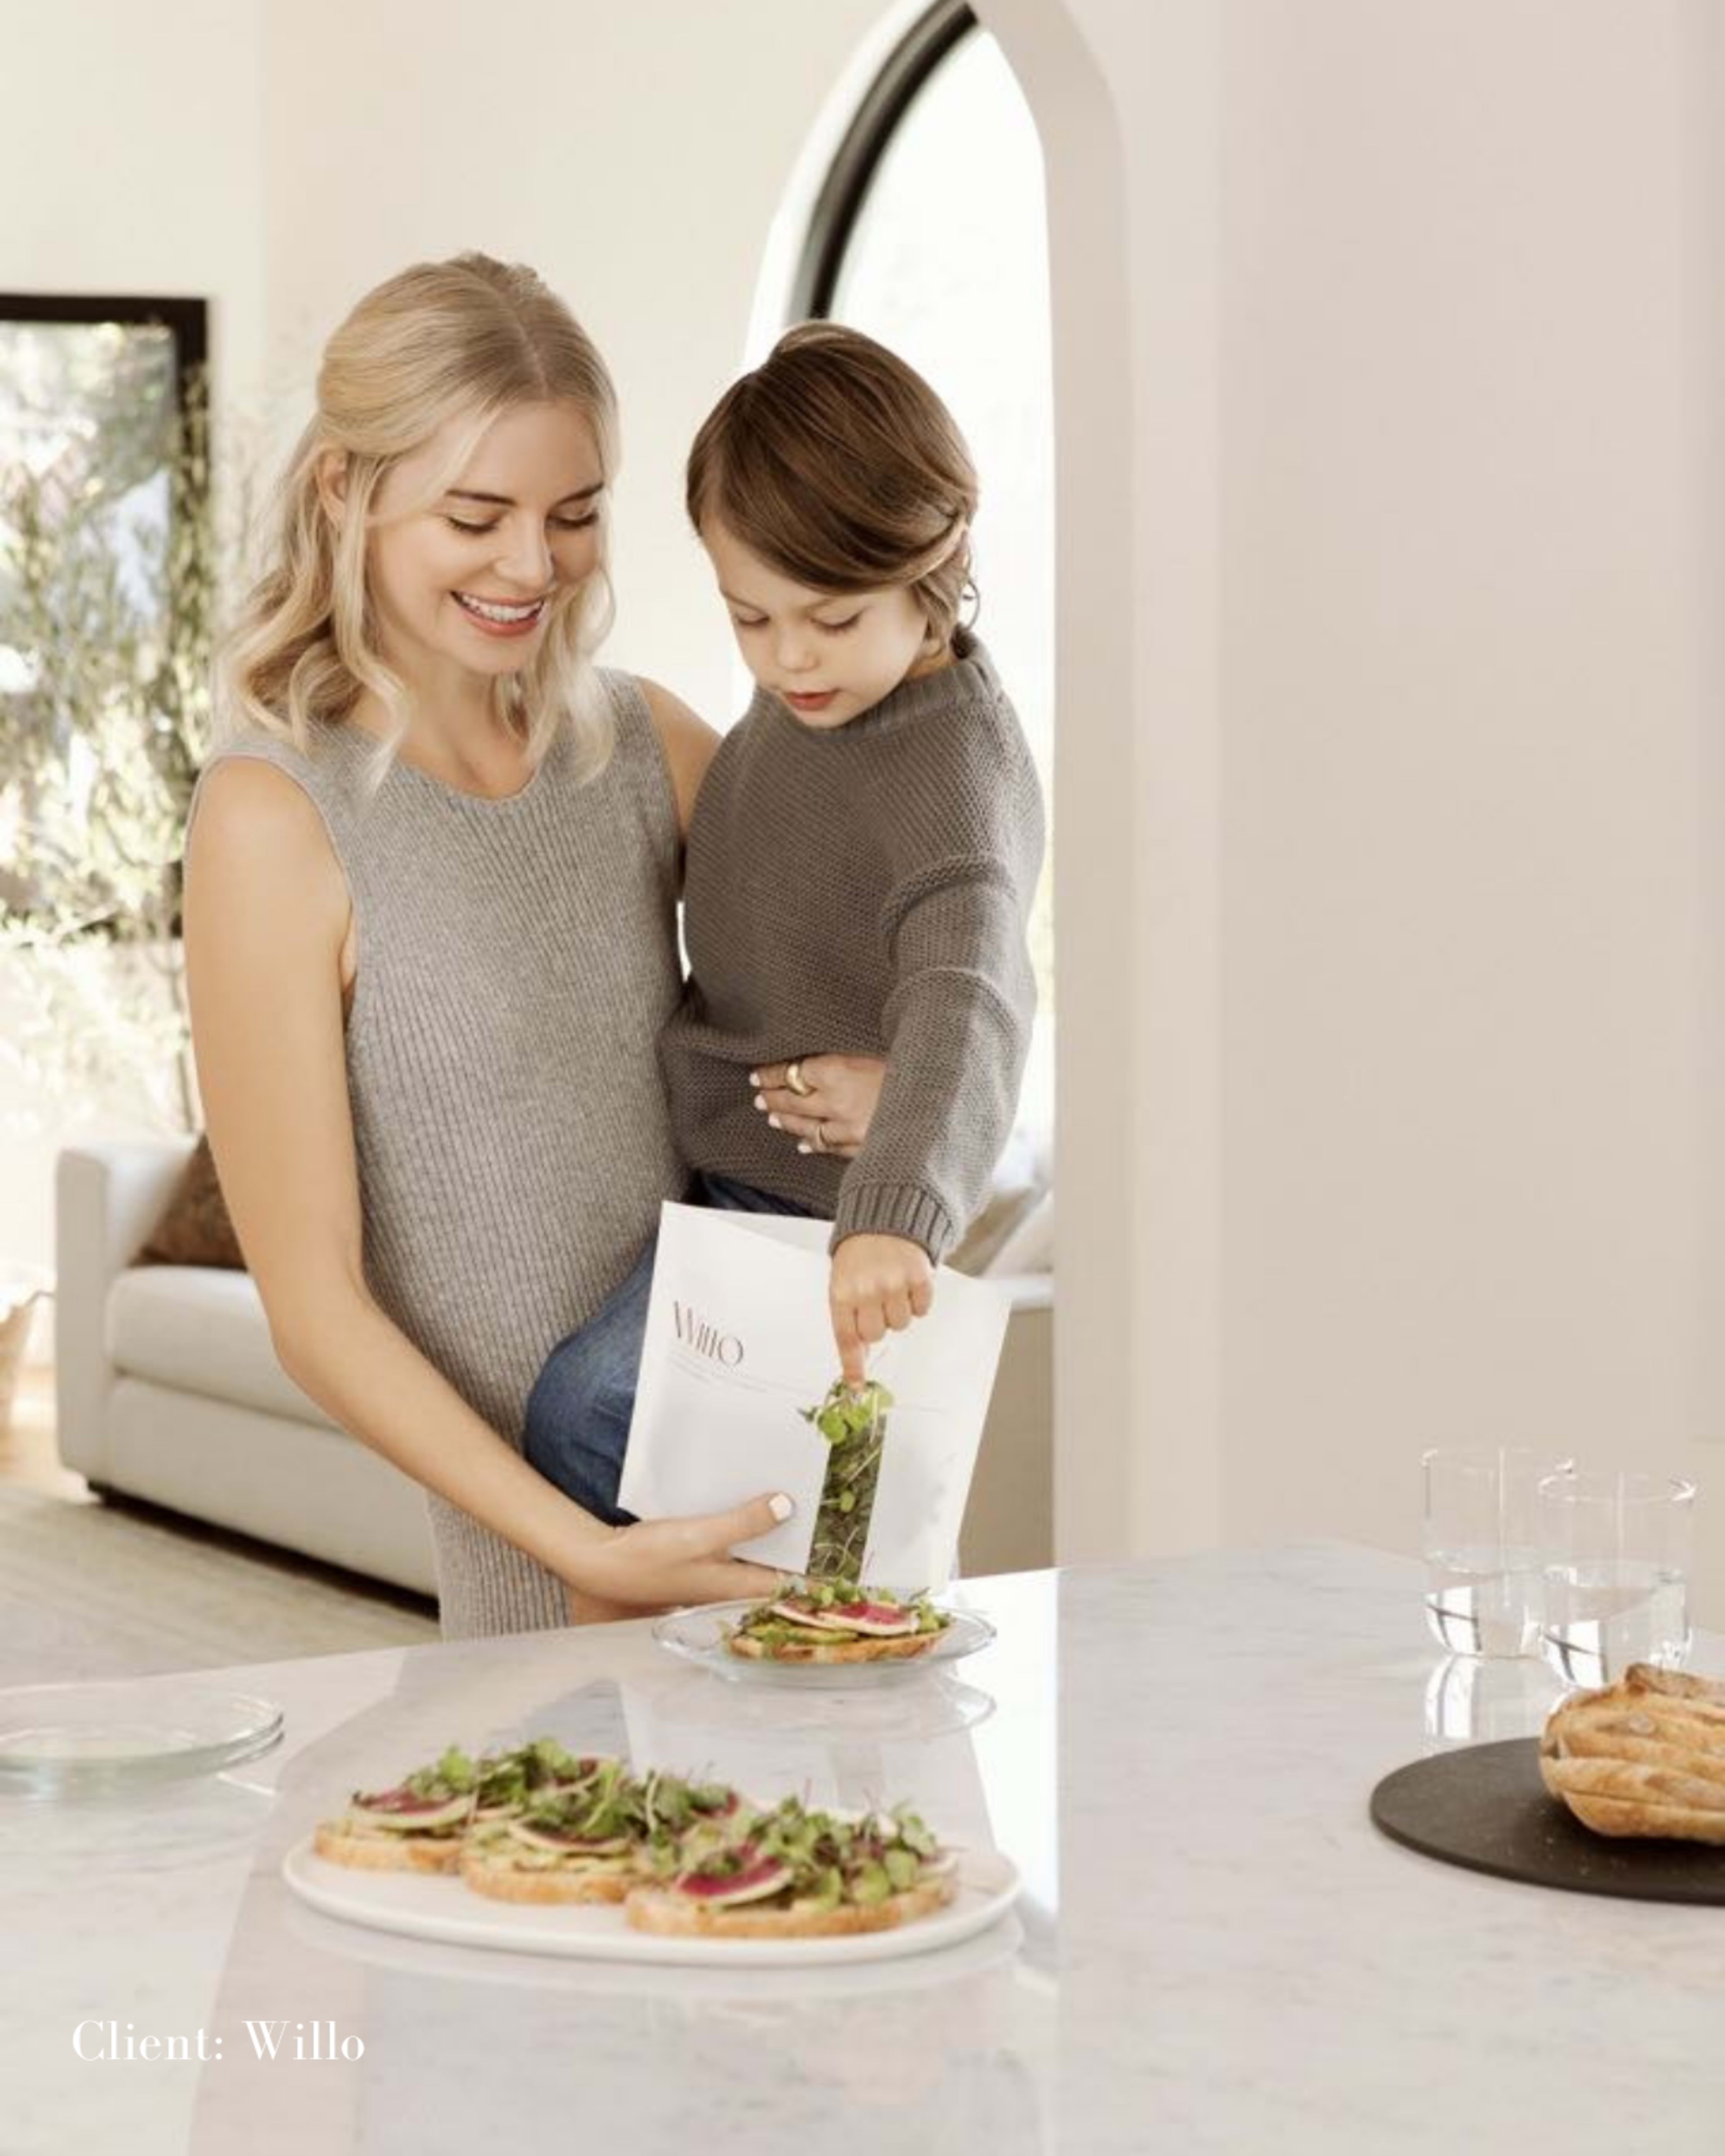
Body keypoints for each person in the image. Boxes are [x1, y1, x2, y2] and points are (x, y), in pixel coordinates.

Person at [182, 254, 884, 1637]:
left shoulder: (642, 746)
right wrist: (587, 1547)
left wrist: (883, 1078)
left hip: (788, 1498)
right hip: (551, 1587)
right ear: (347, 492)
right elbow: (314, 1309)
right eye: (475, 514)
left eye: (573, 515)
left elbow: (904, 923)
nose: (532, 566)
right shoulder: (274, 820)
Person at [524, 321, 1045, 1528]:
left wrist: (891, 1217)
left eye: (831, 617)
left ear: (940, 561)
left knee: (585, 1411)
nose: (789, 659)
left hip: (821, 1216)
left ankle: (810, 1576)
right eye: (750, 619)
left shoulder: (951, 773)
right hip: (725, 1194)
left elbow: (969, 997)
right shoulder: (814, 710)